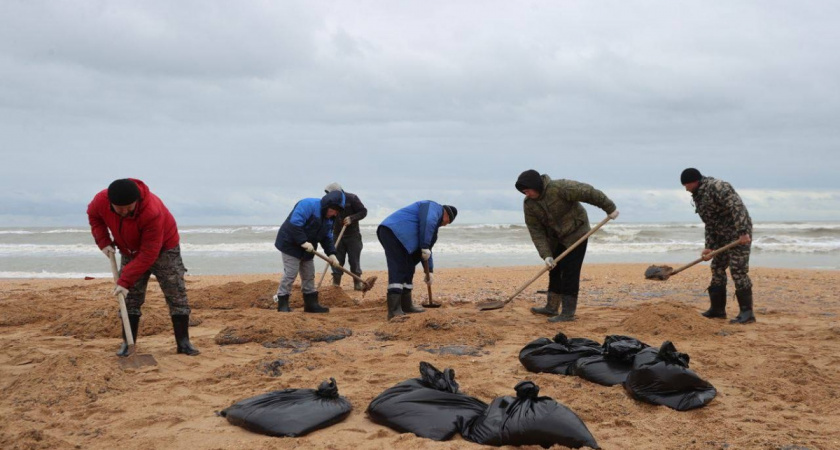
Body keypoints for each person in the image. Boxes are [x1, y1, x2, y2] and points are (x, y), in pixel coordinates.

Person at [87, 178, 199, 356]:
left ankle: (183, 343)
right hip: (129, 250)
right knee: (130, 297)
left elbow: (148, 253)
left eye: (129, 207)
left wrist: (124, 280)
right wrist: (103, 241)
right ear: (110, 203)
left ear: (137, 200)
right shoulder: (100, 201)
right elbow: (94, 217)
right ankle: (127, 344)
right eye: (119, 209)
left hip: (164, 249)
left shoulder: (151, 211)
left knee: (176, 293)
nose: (124, 212)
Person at [515, 170, 619, 323]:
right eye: (524, 192)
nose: (526, 194)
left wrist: (610, 208)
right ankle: (551, 307)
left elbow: (588, 192)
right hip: (555, 238)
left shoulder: (560, 188)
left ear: (535, 185)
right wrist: (546, 255)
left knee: (570, 272)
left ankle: (568, 313)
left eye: (527, 190)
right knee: (554, 270)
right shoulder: (529, 205)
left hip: (577, 233)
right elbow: (536, 231)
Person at [681, 168, 755, 324]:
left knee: (738, 270)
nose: (685, 189)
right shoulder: (698, 196)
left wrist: (742, 232)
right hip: (721, 235)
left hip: (738, 234)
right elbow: (709, 223)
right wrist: (709, 246)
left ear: (694, 181)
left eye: (686, 185)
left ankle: (747, 314)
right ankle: (717, 310)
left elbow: (737, 207)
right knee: (717, 268)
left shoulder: (718, 187)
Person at [377, 201, 457, 319]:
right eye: (447, 222)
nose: (445, 225)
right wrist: (424, 246)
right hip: (393, 231)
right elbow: (428, 222)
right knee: (398, 268)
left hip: (405, 240)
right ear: (447, 215)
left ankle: (406, 305)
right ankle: (393, 310)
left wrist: (429, 271)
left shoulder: (433, 229)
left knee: (409, 267)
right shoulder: (433, 207)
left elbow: (427, 250)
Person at [272, 190, 344, 313]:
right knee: (291, 273)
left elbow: (327, 237)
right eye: (333, 210)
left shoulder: (330, 218)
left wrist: (332, 253)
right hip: (290, 243)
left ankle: (311, 304)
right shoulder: (308, 205)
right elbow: (294, 225)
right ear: (327, 206)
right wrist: (303, 241)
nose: (334, 214)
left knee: (309, 274)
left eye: (337, 212)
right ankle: (282, 303)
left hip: (309, 246)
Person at [324, 183, 368, 290]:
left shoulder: (352, 198)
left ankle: (357, 283)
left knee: (354, 260)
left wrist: (352, 218)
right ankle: (336, 283)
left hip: (353, 235)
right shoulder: (329, 201)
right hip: (336, 234)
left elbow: (363, 211)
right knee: (336, 260)